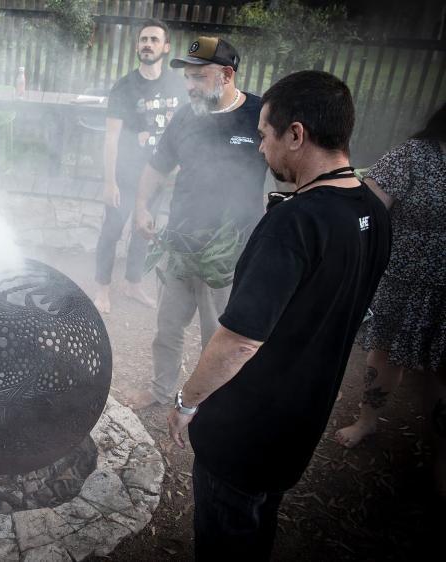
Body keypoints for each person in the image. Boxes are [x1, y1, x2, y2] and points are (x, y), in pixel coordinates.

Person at [167, 70, 391, 559]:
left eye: (266, 135)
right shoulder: (373, 213)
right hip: (299, 427)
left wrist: (187, 401)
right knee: (257, 528)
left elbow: (239, 341)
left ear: (296, 134)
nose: (261, 148)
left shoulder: (294, 223)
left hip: (243, 434)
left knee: (226, 539)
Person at [126, 36, 267, 409]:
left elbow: (290, 169)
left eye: (198, 77)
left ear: (226, 74)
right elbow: (158, 166)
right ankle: (160, 392)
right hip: (180, 242)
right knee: (168, 328)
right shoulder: (186, 116)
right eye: (186, 77)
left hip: (229, 252)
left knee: (218, 335)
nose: (188, 86)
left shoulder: (260, 115)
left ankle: (213, 403)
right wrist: (141, 206)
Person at [334, 103, 446, 491]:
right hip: (403, 281)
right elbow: (368, 211)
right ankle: (368, 419)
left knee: (439, 369)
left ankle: (440, 448)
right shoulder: (415, 156)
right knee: (385, 352)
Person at [94, 18, 186, 313]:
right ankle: (102, 289)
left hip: (157, 177)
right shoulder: (124, 87)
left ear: (166, 47)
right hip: (125, 176)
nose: (147, 44)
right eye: (144, 39)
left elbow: (184, 130)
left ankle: (133, 284)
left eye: (154, 40)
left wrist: (180, 168)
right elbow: (111, 138)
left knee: (143, 232)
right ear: (137, 46)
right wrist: (109, 182)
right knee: (112, 231)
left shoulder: (177, 84)